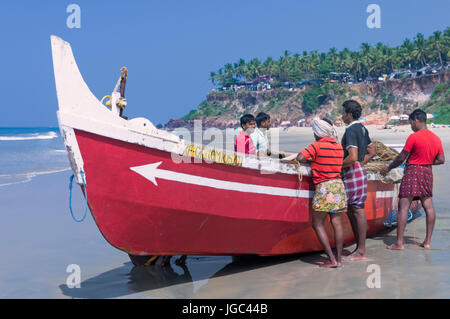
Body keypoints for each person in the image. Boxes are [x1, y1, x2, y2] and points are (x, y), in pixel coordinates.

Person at [380, 109, 445, 250]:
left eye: (410, 122)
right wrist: (426, 162)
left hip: (413, 172)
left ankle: (399, 243)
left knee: (404, 206)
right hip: (427, 172)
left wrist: (388, 168)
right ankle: (427, 242)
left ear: (416, 120)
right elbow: (441, 160)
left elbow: (401, 157)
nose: (410, 126)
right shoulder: (436, 138)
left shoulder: (414, 137)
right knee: (429, 206)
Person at [297, 118, 347, 268]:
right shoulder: (338, 147)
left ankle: (331, 260)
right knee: (336, 223)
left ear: (317, 133)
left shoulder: (316, 146)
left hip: (324, 188)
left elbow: (300, 157)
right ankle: (338, 259)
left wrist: (312, 159)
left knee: (317, 224)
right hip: (339, 186)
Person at [341, 100, 376, 261]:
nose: (341, 116)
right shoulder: (362, 128)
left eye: (343, 112)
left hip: (351, 173)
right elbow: (372, 151)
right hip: (359, 171)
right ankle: (359, 248)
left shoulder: (350, 130)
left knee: (356, 210)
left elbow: (352, 156)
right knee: (353, 209)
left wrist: (337, 166)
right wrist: (362, 163)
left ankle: (361, 250)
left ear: (349, 114)